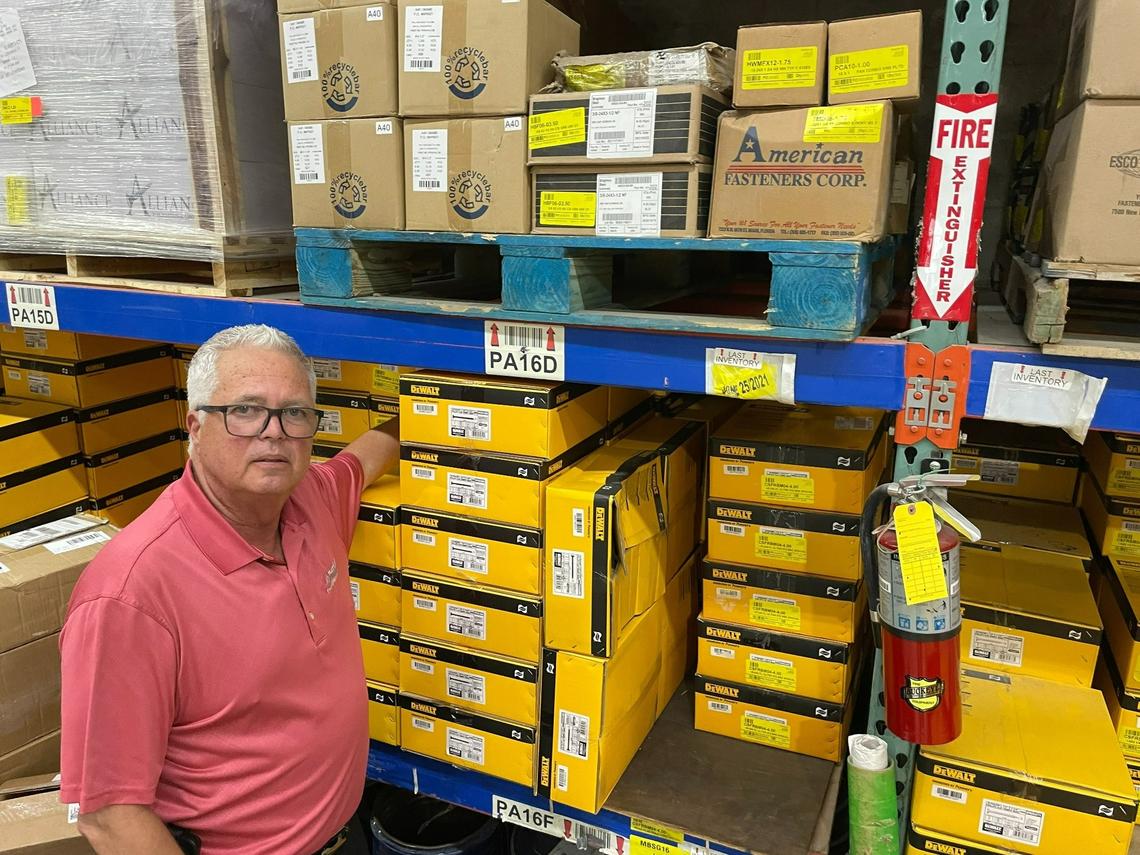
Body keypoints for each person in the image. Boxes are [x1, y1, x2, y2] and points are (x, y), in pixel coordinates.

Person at [59, 324, 398, 855]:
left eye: (295, 413)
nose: (274, 432)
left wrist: (441, 408)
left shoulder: (309, 500)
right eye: (244, 410)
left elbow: (362, 460)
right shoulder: (130, 595)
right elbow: (109, 816)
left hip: (345, 835)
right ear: (194, 426)